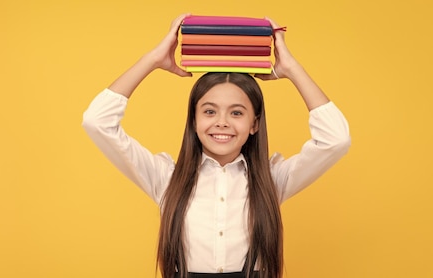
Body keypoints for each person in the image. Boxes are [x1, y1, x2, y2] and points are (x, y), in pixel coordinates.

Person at [82, 14, 350, 278]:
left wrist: (291, 69)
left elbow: (335, 139)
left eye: (236, 113)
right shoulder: (165, 177)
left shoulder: (272, 179)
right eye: (210, 112)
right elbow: (98, 122)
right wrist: (152, 60)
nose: (222, 123)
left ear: (254, 123)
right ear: (194, 120)